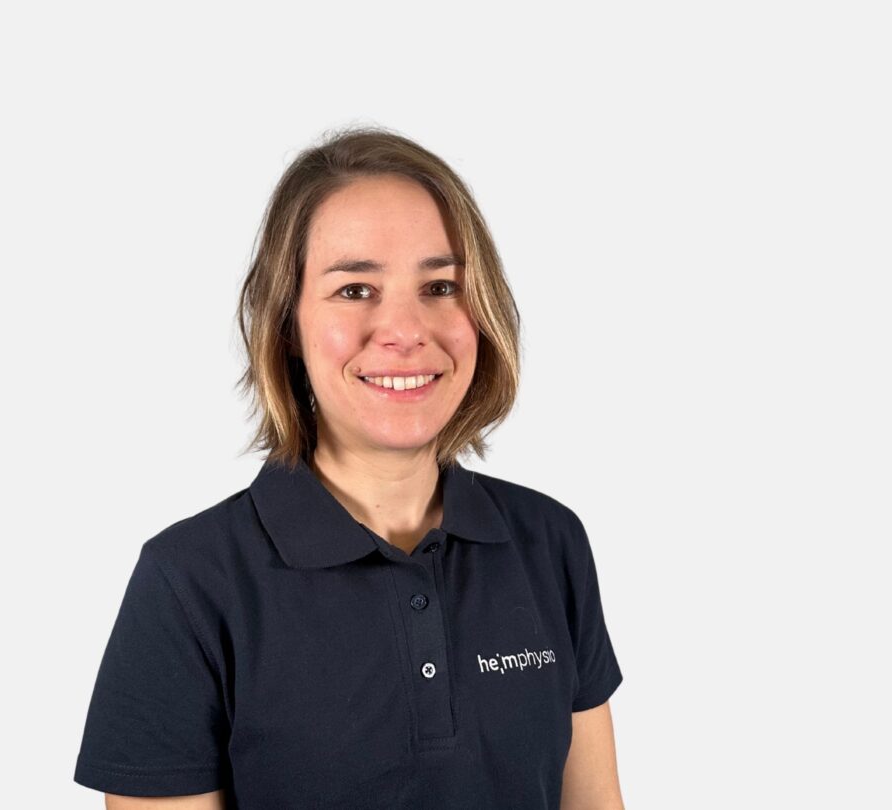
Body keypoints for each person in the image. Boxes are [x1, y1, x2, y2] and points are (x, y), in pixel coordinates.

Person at [73, 126, 625, 809]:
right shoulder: (190, 582)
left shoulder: (550, 542)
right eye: (356, 290)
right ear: (287, 324)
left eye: (441, 285)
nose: (406, 331)